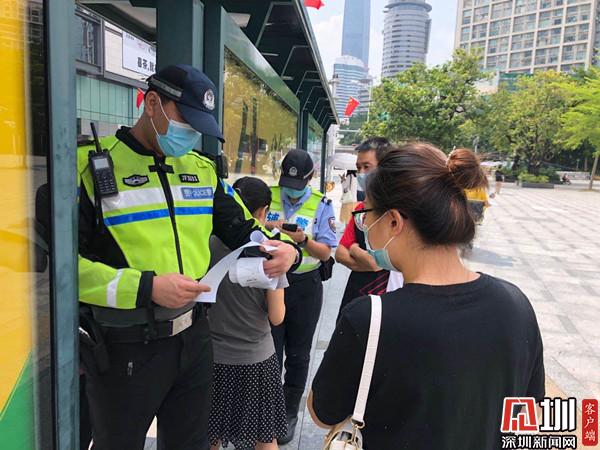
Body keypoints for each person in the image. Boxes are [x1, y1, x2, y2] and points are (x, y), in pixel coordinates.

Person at [77, 64, 300, 450]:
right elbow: (64, 271)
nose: (191, 135)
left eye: (199, 127)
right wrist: (146, 287)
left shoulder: (202, 171)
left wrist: (287, 250)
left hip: (195, 338)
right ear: (151, 104)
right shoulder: (89, 168)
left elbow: (246, 229)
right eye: (186, 122)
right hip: (125, 344)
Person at [308, 142, 545, 450]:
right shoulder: (516, 304)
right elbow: (529, 414)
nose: (363, 226)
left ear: (394, 222)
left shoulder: (370, 319)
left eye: (366, 216)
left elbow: (322, 412)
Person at [208, 177, 287, 450]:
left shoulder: (207, 244)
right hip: (256, 360)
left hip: (213, 356)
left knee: (210, 434)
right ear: (263, 211)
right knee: (264, 436)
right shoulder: (271, 252)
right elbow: (277, 316)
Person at [265, 149, 337, 444]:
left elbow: (326, 253)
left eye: (297, 184)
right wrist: (268, 227)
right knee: (269, 351)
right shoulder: (267, 195)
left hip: (305, 287)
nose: (290, 190)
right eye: (287, 182)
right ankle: (267, 410)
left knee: (298, 354)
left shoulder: (322, 205)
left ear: (310, 178)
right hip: (270, 285)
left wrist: (304, 240)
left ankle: (288, 412)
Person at [335, 137, 394, 321]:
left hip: (386, 300)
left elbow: (376, 263)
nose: (361, 173)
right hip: (356, 294)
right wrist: (359, 254)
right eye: (358, 167)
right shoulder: (361, 209)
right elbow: (340, 254)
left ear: (385, 168)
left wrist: (353, 248)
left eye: (367, 167)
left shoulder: (397, 213)